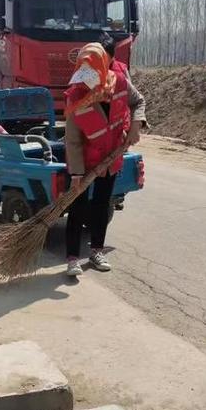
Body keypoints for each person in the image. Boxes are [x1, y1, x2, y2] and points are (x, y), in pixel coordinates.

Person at [63, 37, 147, 277]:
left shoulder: (120, 82)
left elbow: (138, 101)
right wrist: (78, 174)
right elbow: (73, 139)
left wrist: (135, 126)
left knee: (101, 205)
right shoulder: (75, 95)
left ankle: (97, 250)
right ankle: (72, 258)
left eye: (91, 73)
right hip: (85, 162)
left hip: (111, 157)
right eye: (83, 71)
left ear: (103, 68)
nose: (86, 78)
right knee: (77, 208)